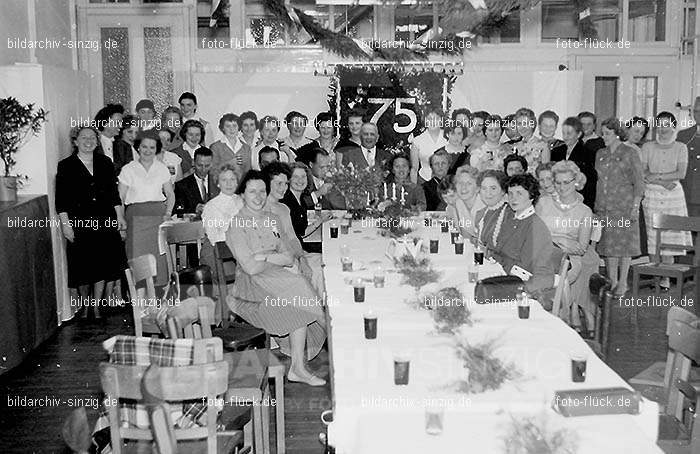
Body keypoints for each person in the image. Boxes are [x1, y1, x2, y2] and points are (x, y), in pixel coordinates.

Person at [226, 170, 327, 386]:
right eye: (252, 191)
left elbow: (289, 255)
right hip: (250, 287)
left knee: (298, 288)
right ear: (242, 194)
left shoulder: (272, 219)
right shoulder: (236, 225)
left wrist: (265, 256)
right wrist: (274, 258)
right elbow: (251, 268)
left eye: (262, 191)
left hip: (276, 277)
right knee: (298, 289)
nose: (258, 196)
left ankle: (298, 367)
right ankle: (330, 335)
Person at [57, 126, 127, 319]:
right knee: (82, 266)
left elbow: (114, 196)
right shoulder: (65, 165)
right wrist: (66, 225)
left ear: (97, 142)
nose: (88, 141)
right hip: (79, 222)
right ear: (75, 141)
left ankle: (95, 306)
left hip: (105, 220)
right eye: (84, 138)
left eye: (92, 138)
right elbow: (61, 200)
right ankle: (85, 304)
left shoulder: (105, 162)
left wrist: (120, 217)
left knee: (102, 264)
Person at [536, 161, 599, 330]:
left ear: (576, 182)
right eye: (558, 182)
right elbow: (535, 234)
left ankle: (561, 321)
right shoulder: (544, 203)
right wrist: (559, 240)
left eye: (567, 182)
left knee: (565, 271)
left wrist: (558, 243)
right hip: (544, 252)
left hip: (571, 258)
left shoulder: (585, 211)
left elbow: (581, 247)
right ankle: (558, 319)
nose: (562, 187)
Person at [640, 111, 693, 290]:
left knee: (670, 235)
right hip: (653, 195)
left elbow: (681, 173)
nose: (663, 129)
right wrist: (662, 181)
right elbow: (643, 171)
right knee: (654, 236)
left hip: (673, 195)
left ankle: (666, 278)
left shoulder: (681, 147)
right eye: (660, 125)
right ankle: (656, 276)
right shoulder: (647, 147)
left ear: (673, 126)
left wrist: (657, 177)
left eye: (666, 125)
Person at [118, 130, 175, 285]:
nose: (148, 151)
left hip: (158, 217)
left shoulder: (162, 168)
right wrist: (120, 218)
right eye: (144, 147)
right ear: (138, 147)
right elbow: (120, 197)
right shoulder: (128, 169)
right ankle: (140, 304)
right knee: (137, 259)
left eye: (151, 147)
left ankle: (158, 303)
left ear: (156, 149)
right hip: (135, 217)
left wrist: (168, 213)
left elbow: (170, 194)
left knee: (158, 259)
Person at [595, 118, 644, 297]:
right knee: (608, 245)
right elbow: (600, 180)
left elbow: (639, 181)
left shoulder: (630, 153)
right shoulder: (600, 153)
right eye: (602, 133)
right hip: (604, 205)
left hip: (625, 205)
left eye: (608, 133)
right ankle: (612, 281)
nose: (604, 137)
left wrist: (635, 206)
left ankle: (623, 282)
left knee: (624, 246)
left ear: (617, 133)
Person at [486, 173, 555, 295]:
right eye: (511, 194)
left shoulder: (536, 227)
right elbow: (498, 251)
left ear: (531, 196)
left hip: (530, 285)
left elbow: (524, 269)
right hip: (506, 273)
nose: (513, 198)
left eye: (519, 193)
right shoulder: (511, 218)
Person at [263, 162, 325, 294]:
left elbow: (293, 237)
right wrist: (298, 262)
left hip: (292, 257)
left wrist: (302, 259)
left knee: (325, 262)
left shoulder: (283, 208)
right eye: (278, 183)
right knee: (318, 271)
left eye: (285, 183)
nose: (283, 188)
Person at [200, 164, 245, 287]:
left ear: (237, 182)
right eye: (224, 180)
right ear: (218, 183)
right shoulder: (211, 206)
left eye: (232, 179)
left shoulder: (243, 202)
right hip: (218, 253)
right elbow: (215, 237)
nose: (229, 183)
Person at [551, 116, 597, 209]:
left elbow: (590, 183)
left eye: (569, 134)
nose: (565, 137)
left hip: (580, 200)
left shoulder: (588, 153)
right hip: (558, 199)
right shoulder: (556, 151)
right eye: (563, 133)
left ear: (579, 134)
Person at [281, 162, 328, 253]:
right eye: (296, 177)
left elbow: (301, 232)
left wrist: (320, 220)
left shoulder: (300, 199)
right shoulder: (287, 202)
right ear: (288, 180)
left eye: (303, 176)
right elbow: (299, 235)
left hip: (299, 245)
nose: (300, 180)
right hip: (294, 251)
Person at [442, 166, 484, 239]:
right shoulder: (458, 203)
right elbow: (465, 237)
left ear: (477, 188)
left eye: (469, 183)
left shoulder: (484, 206)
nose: (463, 187)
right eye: (460, 183)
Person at [174, 148, 217, 216]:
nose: (203, 169)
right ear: (193, 162)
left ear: (212, 164)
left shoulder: (219, 183)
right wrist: (194, 209)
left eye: (207, 166)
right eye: (199, 165)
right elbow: (178, 210)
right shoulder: (181, 185)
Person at [473, 169, 509, 250]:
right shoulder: (480, 214)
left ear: (503, 190)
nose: (488, 193)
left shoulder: (509, 214)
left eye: (493, 188)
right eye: (484, 188)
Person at [410, 107, 448, 184]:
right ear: (425, 120)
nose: (433, 121)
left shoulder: (449, 138)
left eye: (436, 118)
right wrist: (413, 190)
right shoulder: (417, 141)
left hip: (446, 182)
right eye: (430, 119)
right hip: (424, 181)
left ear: (441, 120)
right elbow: (414, 169)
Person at [210, 113, 251, 181]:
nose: (232, 129)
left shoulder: (246, 148)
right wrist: (229, 163)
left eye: (234, 126)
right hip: (222, 185)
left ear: (239, 127)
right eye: (228, 126)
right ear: (222, 128)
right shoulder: (215, 147)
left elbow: (248, 171)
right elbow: (212, 171)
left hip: (241, 186)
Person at [679, 96, 700, 217]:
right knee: (688, 231)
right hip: (687, 194)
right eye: (696, 111)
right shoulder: (683, 135)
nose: (698, 114)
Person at [513, 107, 549, 171]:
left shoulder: (543, 146)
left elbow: (545, 172)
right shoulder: (515, 147)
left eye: (525, 124)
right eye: (519, 124)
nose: (522, 127)